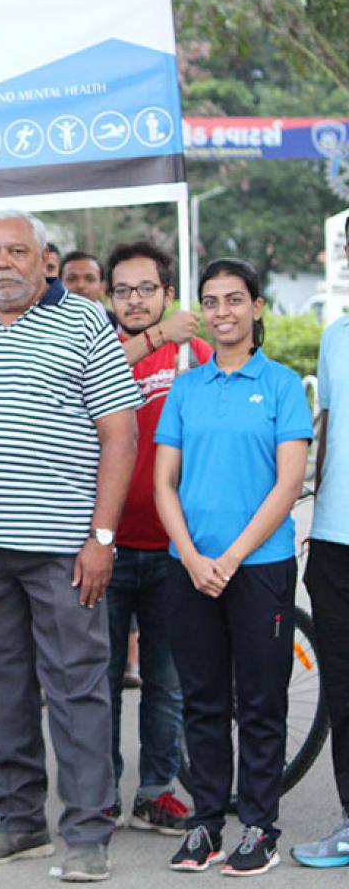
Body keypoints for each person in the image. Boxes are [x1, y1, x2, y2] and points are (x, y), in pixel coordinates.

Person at [0, 210, 140, 882]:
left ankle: (87, 832)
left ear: (45, 260)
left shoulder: (85, 322)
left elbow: (120, 433)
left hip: (62, 547)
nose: (4, 263)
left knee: (77, 685)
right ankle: (19, 820)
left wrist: (101, 538)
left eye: (17, 251)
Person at [153, 257, 312, 877]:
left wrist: (232, 556)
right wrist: (193, 558)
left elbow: (288, 483)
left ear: (257, 307)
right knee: (202, 700)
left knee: (262, 702)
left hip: (259, 567)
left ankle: (260, 828)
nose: (222, 312)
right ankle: (206, 825)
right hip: (190, 569)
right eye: (212, 301)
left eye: (235, 299)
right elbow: (165, 483)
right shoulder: (186, 388)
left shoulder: (281, 384)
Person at [104, 242, 212, 834]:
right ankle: (100, 792)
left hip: (174, 548)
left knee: (166, 683)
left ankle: (156, 790)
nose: (135, 300)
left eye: (147, 289)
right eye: (123, 290)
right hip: (105, 546)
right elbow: (89, 379)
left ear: (168, 293)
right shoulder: (98, 348)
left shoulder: (194, 355)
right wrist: (155, 338)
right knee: (98, 682)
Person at [293, 221, 349, 868]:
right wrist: (320, 513)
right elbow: (328, 428)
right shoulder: (336, 336)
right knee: (342, 690)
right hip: (334, 542)